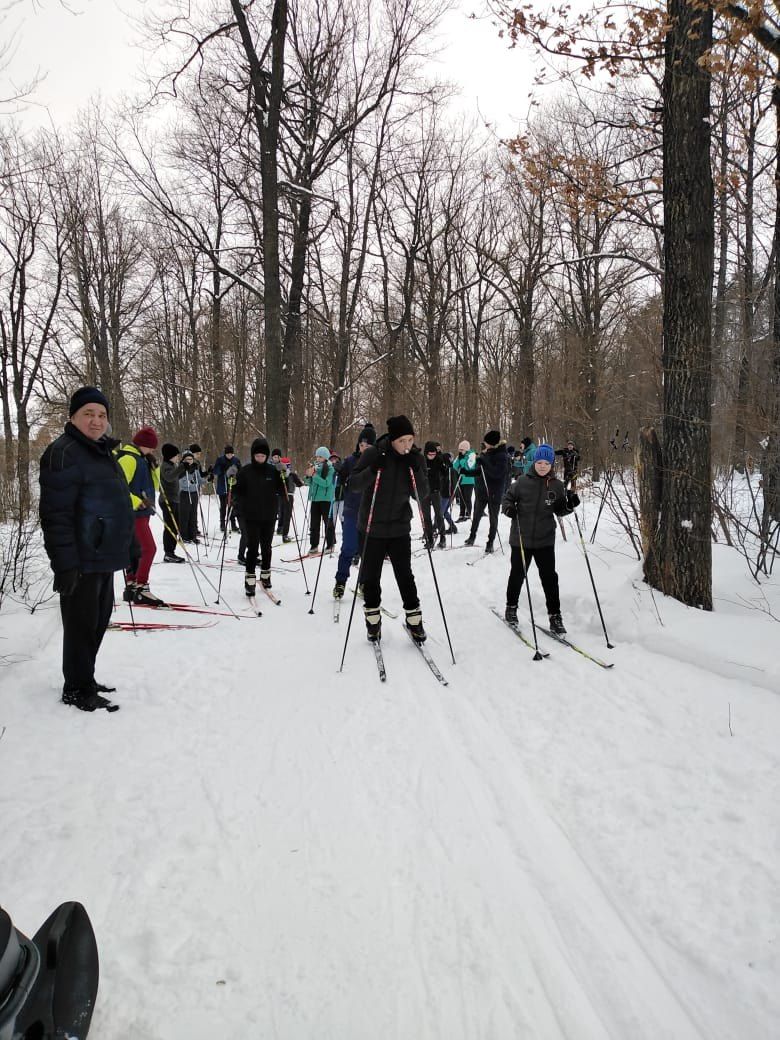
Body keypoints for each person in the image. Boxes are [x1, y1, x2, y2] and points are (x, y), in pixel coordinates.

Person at [39, 386, 135, 712]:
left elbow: (117, 503)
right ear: (73, 417)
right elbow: (56, 516)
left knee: (98, 621)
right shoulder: (62, 453)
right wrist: (64, 564)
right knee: (81, 627)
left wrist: (129, 542)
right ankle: (76, 689)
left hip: (103, 555)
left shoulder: (101, 452)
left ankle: (86, 678)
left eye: (101, 415)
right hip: (80, 558)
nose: (96, 421)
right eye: (88, 414)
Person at [349, 415, 429, 643]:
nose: (407, 446)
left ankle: (415, 622)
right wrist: (373, 470)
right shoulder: (374, 453)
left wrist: (418, 471)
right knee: (370, 577)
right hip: (372, 527)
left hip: (399, 527)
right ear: (393, 439)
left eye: (410, 440)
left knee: (405, 575)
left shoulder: (414, 458)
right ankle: (373, 623)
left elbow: (421, 494)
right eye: (402, 441)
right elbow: (354, 484)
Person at [501, 443, 580, 634]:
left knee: (549, 578)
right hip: (521, 537)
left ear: (552, 464)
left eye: (547, 463)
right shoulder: (521, 482)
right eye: (540, 462)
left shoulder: (557, 485)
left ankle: (555, 616)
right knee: (518, 575)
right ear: (534, 462)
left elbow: (560, 509)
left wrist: (570, 505)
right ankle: (511, 608)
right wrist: (509, 509)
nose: (543, 466)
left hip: (545, 539)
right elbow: (507, 499)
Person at [115, 426, 166, 606]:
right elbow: (118, 487)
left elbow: (156, 487)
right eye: (151, 447)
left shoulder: (142, 459)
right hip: (132, 513)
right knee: (148, 548)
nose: (152, 450)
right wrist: (138, 502)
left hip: (141, 513)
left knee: (136, 550)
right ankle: (141, 587)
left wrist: (155, 468)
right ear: (142, 444)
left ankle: (132, 584)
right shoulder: (128, 459)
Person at [232, 437, 286, 596]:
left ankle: (265, 575)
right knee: (253, 547)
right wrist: (232, 481)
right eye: (257, 456)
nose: (260, 459)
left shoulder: (272, 471)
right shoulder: (246, 471)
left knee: (267, 547)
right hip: (251, 516)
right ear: (253, 455)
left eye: (263, 456)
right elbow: (238, 492)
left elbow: (282, 491)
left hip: (269, 515)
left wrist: (285, 474)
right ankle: (249, 579)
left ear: (267, 456)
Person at [332, 423, 375, 599]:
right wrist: (339, 471)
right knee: (349, 547)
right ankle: (340, 582)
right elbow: (342, 479)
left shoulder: (377, 462)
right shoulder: (351, 461)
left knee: (367, 552)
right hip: (351, 511)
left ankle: (364, 583)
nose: (364, 448)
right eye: (362, 445)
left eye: (368, 446)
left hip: (371, 514)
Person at [464, 429, 510, 553]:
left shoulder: (502, 455)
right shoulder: (487, 452)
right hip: (482, 490)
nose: (484, 444)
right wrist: (467, 473)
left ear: (492, 443)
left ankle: (490, 542)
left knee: (493, 518)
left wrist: (484, 461)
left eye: (486, 442)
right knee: (477, 514)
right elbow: (481, 471)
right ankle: (472, 536)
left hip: (494, 492)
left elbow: (496, 473)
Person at [305, 446, 337, 554]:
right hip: (315, 498)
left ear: (326, 457)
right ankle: (314, 545)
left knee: (327, 522)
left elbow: (326, 483)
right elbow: (309, 483)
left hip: (326, 499)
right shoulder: (315, 467)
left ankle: (330, 544)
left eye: (320, 457)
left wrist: (314, 475)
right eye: (317, 456)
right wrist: (308, 476)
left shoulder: (330, 468)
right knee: (314, 523)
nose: (318, 459)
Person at [159, 443, 185, 563]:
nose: (178, 458)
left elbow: (176, 477)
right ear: (170, 456)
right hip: (167, 500)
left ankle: (171, 552)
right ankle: (168, 553)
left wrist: (187, 468)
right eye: (176, 456)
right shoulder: (165, 466)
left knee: (175, 526)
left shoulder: (172, 465)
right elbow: (169, 477)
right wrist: (181, 467)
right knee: (170, 527)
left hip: (175, 499)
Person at [422, 440, 450, 549]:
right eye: (430, 454)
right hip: (424, 492)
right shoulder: (422, 460)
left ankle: (443, 538)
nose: (432, 456)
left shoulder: (438, 459)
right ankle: (429, 539)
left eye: (434, 454)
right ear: (426, 453)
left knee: (439, 515)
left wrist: (445, 465)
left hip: (435, 491)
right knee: (426, 517)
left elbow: (445, 473)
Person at [212, 445, 242, 532]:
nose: (229, 455)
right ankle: (222, 524)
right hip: (223, 487)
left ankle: (233, 524)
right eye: (228, 454)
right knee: (223, 506)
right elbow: (215, 471)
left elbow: (240, 471)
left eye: (231, 454)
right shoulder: (220, 460)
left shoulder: (236, 460)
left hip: (232, 486)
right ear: (225, 454)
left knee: (232, 506)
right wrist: (222, 469)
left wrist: (237, 470)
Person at [178, 449, 204, 544]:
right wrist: (192, 481)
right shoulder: (181, 468)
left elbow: (199, 480)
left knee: (193, 515)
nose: (189, 461)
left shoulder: (195, 468)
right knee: (185, 515)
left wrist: (209, 478)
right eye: (187, 459)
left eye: (191, 459)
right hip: (185, 494)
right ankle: (184, 536)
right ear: (184, 460)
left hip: (194, 494)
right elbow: (183, 483)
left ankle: (192, 535)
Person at [452, 440, 477, 521]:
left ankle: (468, 513)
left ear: (466, 449)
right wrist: (459, 459)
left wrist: (462, 460)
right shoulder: (460, 456)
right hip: (461, 480)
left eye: (461, 450)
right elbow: (454, 466)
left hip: (469, 480)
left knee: (467, 498)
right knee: (462, 498)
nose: (460, 451)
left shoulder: (472, 455)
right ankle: (461, 514)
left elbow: (469, 466)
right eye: (459, 450)